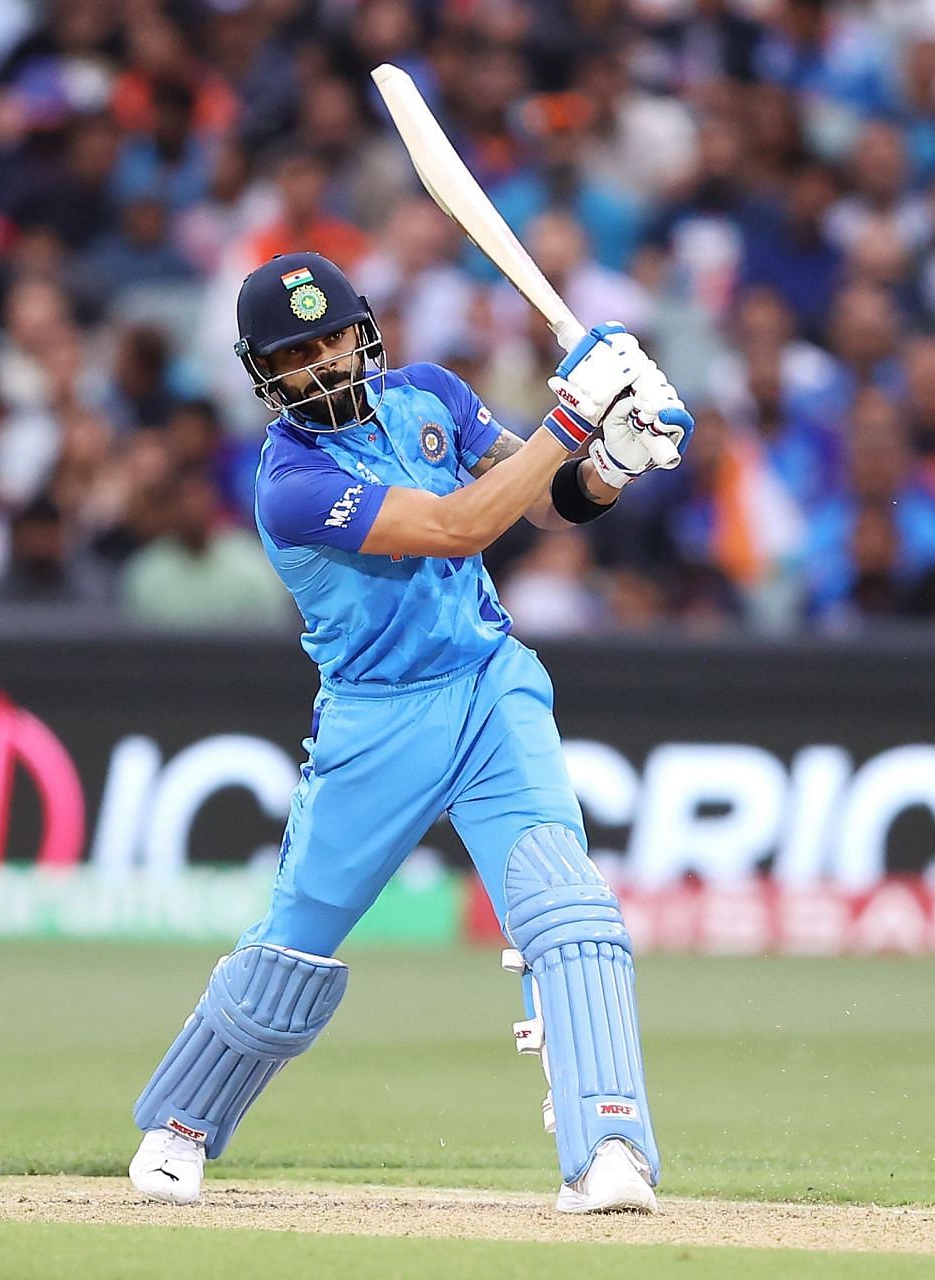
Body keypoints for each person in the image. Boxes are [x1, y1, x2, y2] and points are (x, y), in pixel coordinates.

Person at [125, 252, 692, 1213]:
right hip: (377, 719)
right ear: (264, 372)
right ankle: (178, 1125)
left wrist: (611, 459)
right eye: (295, 353)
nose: (324, 363)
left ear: (364, 329)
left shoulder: (428, 393)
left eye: (334, 337)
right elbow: (461, 527)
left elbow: (539, 499)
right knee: (295, 946)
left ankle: (610, 1148)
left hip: (488, 684)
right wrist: (572, 418)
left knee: (569, 908)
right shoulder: (291, 483)